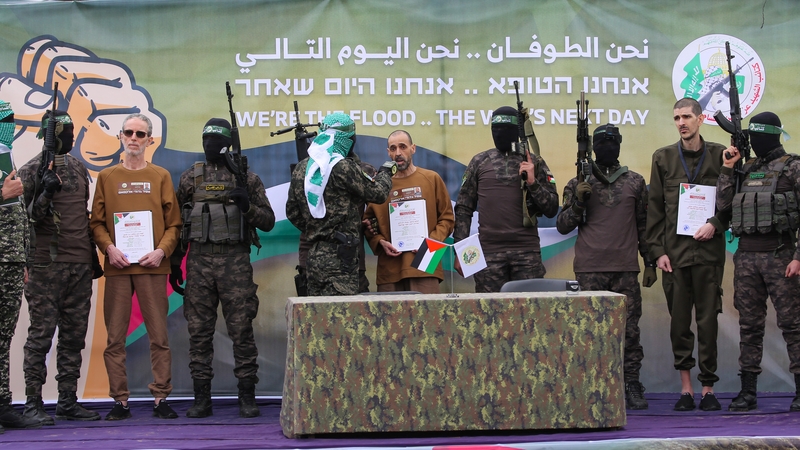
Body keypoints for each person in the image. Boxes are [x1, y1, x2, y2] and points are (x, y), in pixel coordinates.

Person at [170, 118, 275, 418]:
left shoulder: (247, 179)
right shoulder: (190, 178)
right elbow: (179, 223)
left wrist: (246, 207)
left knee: (241, 330)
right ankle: (202, 398)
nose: (210, 146)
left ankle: (247, 396)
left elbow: (267, 221)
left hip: (235, 263)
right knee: (199, 331)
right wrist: (176, 263)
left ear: (227, 143)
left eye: (216, 141)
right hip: (199, 262)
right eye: (206, 140)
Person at [556, 124, 656, 410]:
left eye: (613, 142)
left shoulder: (635, 182)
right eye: (602, 142)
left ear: (620, 145)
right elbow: (562, 226)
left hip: (625, 268)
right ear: (593, 147)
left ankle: (632, 384)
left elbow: (643, 226)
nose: (608, 147)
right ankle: (592, 386)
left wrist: (649, 261)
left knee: (630, 332)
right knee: (590, 332)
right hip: (589, 269)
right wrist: (578, 202)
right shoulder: (578, 182)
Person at [90, 113, 181, 420]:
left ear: (149, 140)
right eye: (128, 132)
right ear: (120, 136)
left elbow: (174, 225)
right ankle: (120, 401)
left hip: (153, 267)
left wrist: (160, 252)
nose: (133, 138)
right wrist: (109, 248)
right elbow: (97, 224)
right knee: (114, 337)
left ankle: (161, 398)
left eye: (140, 134)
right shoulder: (106, 177)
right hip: (117, 267)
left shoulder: (161, 176)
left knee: (159, 336)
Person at [18, 110, 102, 425]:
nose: (70, 138)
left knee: (73, 336)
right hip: (45, 267)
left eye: (72, 132)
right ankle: (32, 404)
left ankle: (67, 400)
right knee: (41, 335)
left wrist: (93, 257)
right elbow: (25, 220)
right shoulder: (30, 171)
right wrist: (45, 192)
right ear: (51, 136)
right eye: (65, 133)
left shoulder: (80, 170)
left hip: (79, 266)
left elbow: (83, 214)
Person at [646, 97, 729, 412]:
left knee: (708, 322)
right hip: (675, 257)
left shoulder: (722, 155)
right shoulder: (663, 158)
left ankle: (708, 388)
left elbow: (733, 200)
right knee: (680, 324)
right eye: (677, 118)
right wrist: (657, 252)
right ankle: (686, 389)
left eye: (686, 117)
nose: (681, 123)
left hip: (708, 254)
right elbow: (654, 209)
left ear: (700, 119)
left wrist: (716, 224)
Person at [715, 111, 800, 412]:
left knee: (793, 324)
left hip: (781, 255)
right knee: (750, 326)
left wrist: (798, 257)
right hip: (747, 258)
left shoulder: (793, 168)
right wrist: (728, 168)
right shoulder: (745, 169)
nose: (755, 142)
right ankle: (748, 391)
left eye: (758, 136)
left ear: (772, 136)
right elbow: (723, 206)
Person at [286, 113, 394, 296]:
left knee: (317, 315)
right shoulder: (342, 166)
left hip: (313, 256)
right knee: (341, 316)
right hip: (341, 258)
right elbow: (378, 193)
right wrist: (385, 173)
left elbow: (292, 212)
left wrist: (317, 228)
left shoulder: (302, 168)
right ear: (349, 140)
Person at [453, 106, 559, 292]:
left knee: (530, 313)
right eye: (495, 129)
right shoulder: (480, 161)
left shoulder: (534, 162)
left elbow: (551, 208)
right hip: (488, 254)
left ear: (517, 131)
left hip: (527, 254)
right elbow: (463, 208)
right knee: (490, 314)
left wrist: (533, 182)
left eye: (505, 130)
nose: (499, 134)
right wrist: (459, 251)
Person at [363, 130, 454, 293]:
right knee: (390, 318)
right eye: (393, 148)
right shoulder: (377, 186)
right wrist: (379, 241)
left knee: (428, 316)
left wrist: (430, 243)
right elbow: (368, 223)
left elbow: (447, 219)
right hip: (390, 270)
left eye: (403, 147)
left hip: (426, 263)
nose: (398, 153)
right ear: (388, 152)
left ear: (413, 148)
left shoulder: (431, 178)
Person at [0, 100, 41, 432]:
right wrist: (2, 194)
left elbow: (19, 216)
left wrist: (24, 258)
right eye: (4, 120)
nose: (10, 126)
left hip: (12, 261)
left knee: (4, 336)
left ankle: (2, 405)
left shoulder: (7, 156)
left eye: (11, 120)